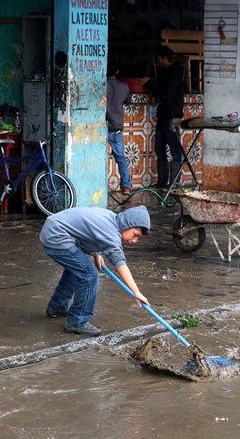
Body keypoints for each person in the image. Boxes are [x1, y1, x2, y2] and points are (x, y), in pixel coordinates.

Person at [40, 205, 151, 337]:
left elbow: (90, 232)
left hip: (55, 228)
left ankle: (57, 307)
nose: (134, 240)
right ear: (128, 224)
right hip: (57, 236)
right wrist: (136, 292)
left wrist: (96, 254)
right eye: (135, 235)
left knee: (77, 270)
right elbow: (120, 263)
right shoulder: (112, 233)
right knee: (89, 275)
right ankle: (77, 321)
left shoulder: (111, 218)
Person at [146, 45, 185, 190]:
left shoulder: (175, 73)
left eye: (159, 59)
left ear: (164, 58)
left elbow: (166, 94)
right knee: (159, 149)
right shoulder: (166, 73)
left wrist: (150, 84)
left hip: (172, 118)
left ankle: (174, 183)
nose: (158, 62)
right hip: (163, 116)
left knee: (175, 151)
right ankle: (162, 183)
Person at [106, 64, 133, 196]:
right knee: (121, 158)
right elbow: (129, 101)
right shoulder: (124, 86)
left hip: (101, 128)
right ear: (117, 70)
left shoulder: (100, 86)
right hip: (116, 127)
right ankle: (126, 187)